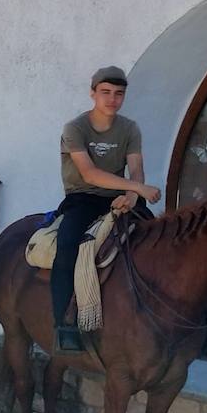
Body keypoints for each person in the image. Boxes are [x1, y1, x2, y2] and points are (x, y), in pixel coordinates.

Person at [53, 65, 160, 353]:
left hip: (121, 199)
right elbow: (89, 174)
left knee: (159, 239)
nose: (112, 99)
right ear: (93, 94)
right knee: (67, 244)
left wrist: (131, 196)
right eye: (106, 93)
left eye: (119, 94)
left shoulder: (130, 128)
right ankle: (64, 323)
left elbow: (136, 168)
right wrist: (138, 189)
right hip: (83, 197)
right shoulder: (74, 128)